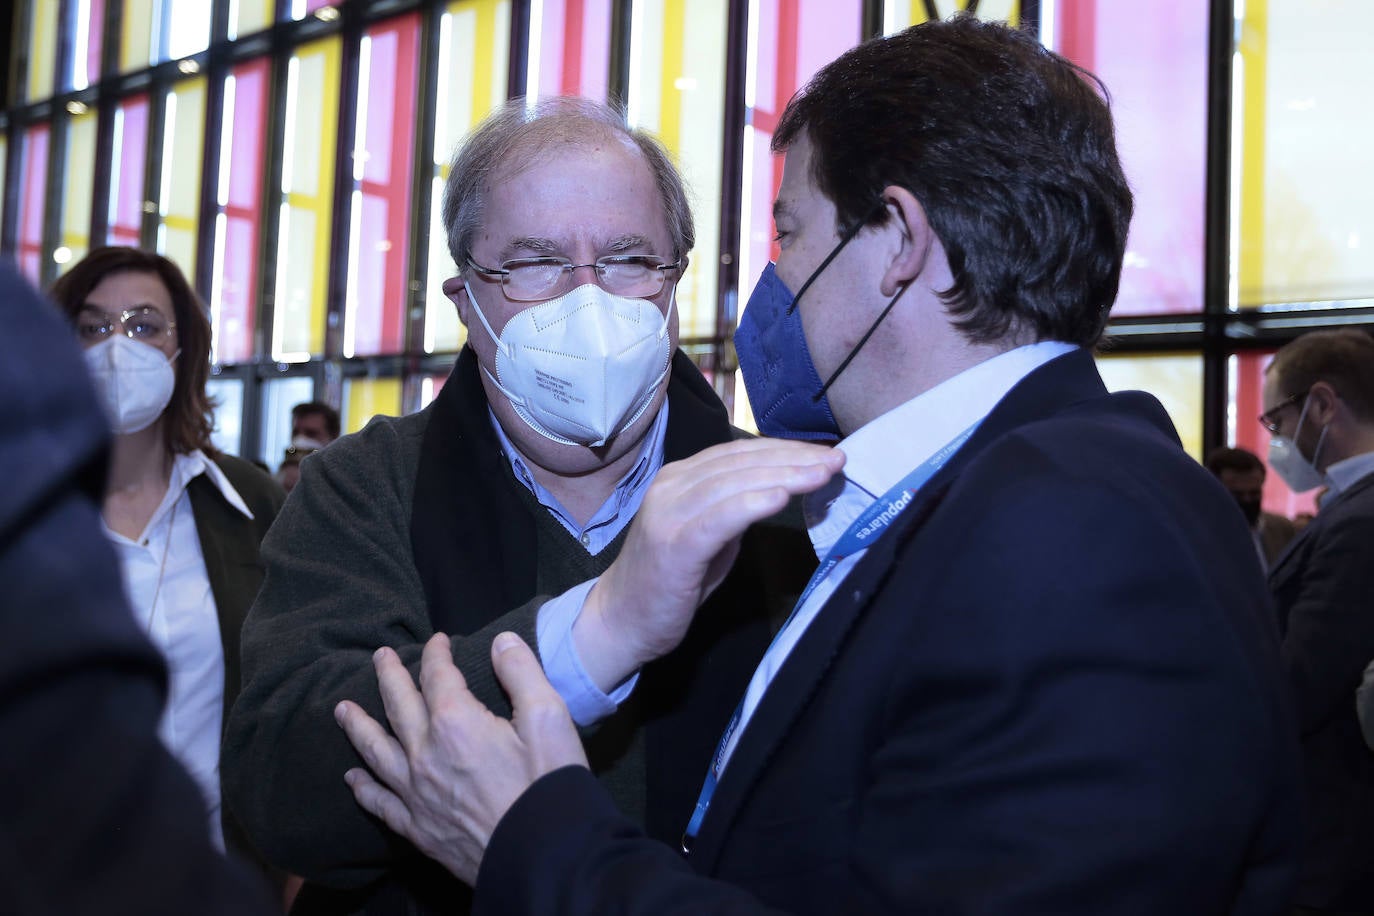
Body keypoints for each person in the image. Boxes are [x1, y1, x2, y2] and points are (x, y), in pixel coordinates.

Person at [334, 17, 1302, 914]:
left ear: (898, 242)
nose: (776, 280)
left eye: (791, 231)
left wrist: (533, 843)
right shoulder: (965, 502)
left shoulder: (1080, 523)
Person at [221, 97, 818, 913]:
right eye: (535, 264)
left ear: (675, 283)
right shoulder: (364, 487)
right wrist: (595, 634)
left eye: (628, 259)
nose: (589, 302)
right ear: (466, 303)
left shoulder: (781, 504)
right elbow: (282, 785)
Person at [0, 258, 274, 915]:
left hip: (220, 874)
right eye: (92, 328)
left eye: (144, 326)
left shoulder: (250, 505)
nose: (117, 347)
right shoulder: (26, 514)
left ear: (184, 350)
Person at [1259, 328, 1374, 913]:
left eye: (1276, 422)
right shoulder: (1350, 508)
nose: (1276, 443)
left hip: (1336, 838)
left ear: (1324, 405)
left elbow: (1302, 682)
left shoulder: (1361, 520)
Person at [1205, 445, 1299, 570]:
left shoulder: (1282, 530)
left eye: (1254, 493)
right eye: (1237, 494)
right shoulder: (1199, 535)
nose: (1247, 500)